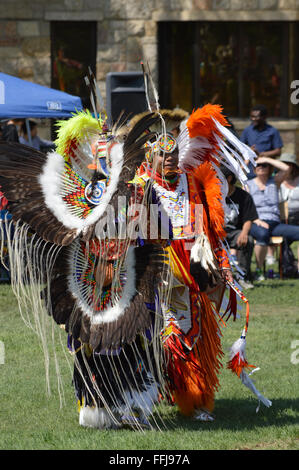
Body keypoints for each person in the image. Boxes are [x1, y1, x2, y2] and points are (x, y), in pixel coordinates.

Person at [0, 103, 271, 430]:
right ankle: (101, 406)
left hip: (149, 276)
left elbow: (177, 229)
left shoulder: (155, 187)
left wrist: (198, 256)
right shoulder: (104, 191)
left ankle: (151, 402)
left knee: (151, 338)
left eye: (109, 159)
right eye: (99, 159)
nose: (103, 164)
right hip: (104, 280)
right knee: (103, 343)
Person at [247, 156, 299, 281]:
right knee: (262, 234)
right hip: (257, 222)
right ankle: (259, 270)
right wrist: (256, 220)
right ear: (254, 169)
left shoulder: (274, 182)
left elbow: (286, 168)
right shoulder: (248, 184)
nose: (261, 167)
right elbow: (246, 208)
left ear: (269, 168)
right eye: (258, 165)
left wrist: (265, 159)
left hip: (275, 223)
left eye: (264, 166)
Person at [221, 165, 258, 289]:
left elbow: (249, 218)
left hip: (235, 232)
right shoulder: (213, 195)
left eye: (220, 178)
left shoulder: (243, 196)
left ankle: (242, 276)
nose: (216, 181)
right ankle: (218, 279)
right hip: (218, 233)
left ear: (229, 178)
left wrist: (244, 233)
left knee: (248, 241)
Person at [241, 104, 283, 180]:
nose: (253, 119)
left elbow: (278, 151)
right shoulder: (247, 130)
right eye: (252, 116)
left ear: (264, 117)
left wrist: (262, 154)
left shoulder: (272, 131)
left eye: (256, 117)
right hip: (251, 170)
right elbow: (240, 148)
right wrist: (250, 150)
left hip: (267, 169)